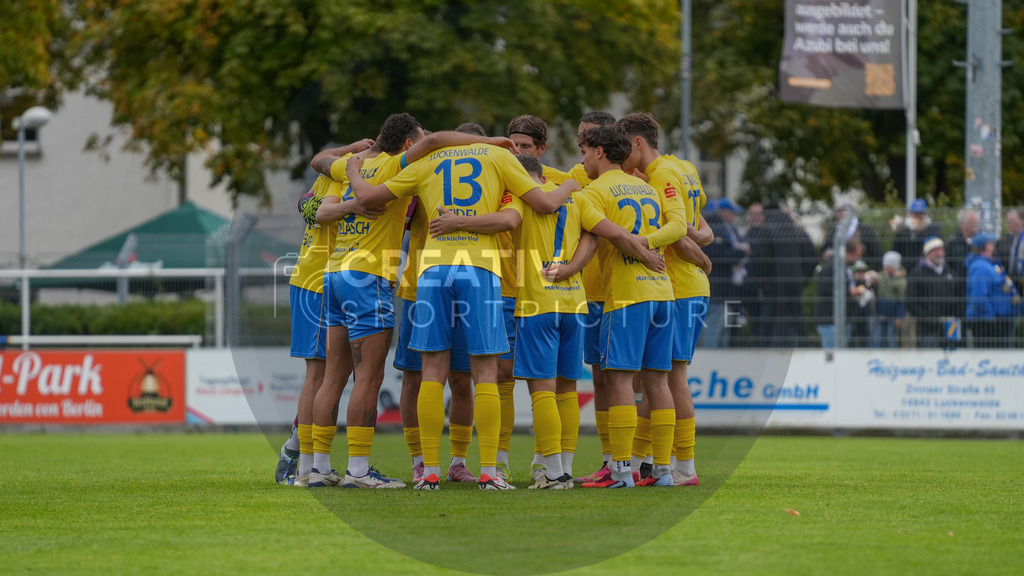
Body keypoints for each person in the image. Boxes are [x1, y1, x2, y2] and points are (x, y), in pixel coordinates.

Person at [345, 126, 625, 490]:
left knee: (431, 370)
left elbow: (368, 197)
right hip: (481, 270)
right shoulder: (500, 158)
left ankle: (428, 471)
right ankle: (491, 473)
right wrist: (569, 188)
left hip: (432, 270)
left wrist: (352, 171)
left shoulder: (428, 160)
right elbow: (540, 205)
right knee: (486, 372)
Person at [573, 123, 686, 489]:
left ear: (600, 152)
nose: (583, 159)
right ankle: (665, 471)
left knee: (619, 378)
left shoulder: (591, 193)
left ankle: (621, 471)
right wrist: (649, 251)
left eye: (584, 151)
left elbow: (609, 235)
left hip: (626, 297)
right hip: (663, 293)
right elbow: (674, 227)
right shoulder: (647, 188)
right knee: (657, 381)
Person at [617, 112, 711, 487]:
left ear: (639, 143)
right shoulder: (684, 166)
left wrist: (695, 255)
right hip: (678, 286)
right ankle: (641, 462)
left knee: (672, 379)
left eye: (625, 147)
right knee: (655, 377)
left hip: (681, 285)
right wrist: (704, 246)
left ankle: (684, 467)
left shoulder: (660, 175)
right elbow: (701, 227)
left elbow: (675, 232)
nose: (622, 155)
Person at [277, 139, 376, 486]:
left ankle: (305, 458)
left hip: (321, 280)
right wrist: (355, 204)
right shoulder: (341, 175)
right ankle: (304, 464)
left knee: (329, 376)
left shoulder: (327, 174)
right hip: (318, 283)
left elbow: (307, 202)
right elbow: (317, 212)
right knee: (319, 376)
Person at [701, 198, 749, 349]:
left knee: (723, 329)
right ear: (723, 212)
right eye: (731, 212)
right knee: (715, 327)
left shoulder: (723, 228)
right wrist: (740, 253)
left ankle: (719, 362)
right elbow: (718, 253)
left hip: (724, 290)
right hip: (717, 289)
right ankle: (711, 363)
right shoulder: (715, 228)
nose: (734, 216)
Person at [965, 233, 1021, 347]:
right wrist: (990, 318)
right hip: (989, 323)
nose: (993, 246)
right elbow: (979, 297)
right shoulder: (980, 266)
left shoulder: (992, 263)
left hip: (1001, 320)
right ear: (986, 246)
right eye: (990, 243)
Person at [906, 238, 961, 348]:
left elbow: (958, 296)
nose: (939, 253)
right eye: (935, 250)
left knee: (952, 355)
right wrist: (926, 319)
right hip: (928, 327)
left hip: (951, 324)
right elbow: (911, 302)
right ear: (927, 253)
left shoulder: (950, 272)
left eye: (941, 250)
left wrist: (955, 314)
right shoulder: (917, 274)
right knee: (930, 357)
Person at [814, 239, 862, 348]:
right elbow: (824, 289)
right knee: (832, 359)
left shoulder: (845, 268)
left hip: (843, 320)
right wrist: (849, 293)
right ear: (848, 253)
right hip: (830, 321)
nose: (858, 259)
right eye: (856, 256)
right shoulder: (831, 267)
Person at [825, 202, 882, 271]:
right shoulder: (835, 230)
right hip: (840, 269)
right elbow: (827, 247)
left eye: (844, 210)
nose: (840, 213)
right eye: (838, 211)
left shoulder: (865, 229)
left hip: (862, 268)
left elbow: (875, 252)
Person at [871, 251, 907, 348]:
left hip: (893, 316)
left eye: (889, 267)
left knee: (892, 339)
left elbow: (901, 301)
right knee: (878, 339)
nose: (886, 269)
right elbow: (874, 282)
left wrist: (899, 317)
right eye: (885, 267)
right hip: (880, 315)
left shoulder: (901, 281)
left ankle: (893, 359)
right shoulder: (881, 277)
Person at [892, 199, 943, 264]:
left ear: (925, 214)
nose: (918, 216)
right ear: (910, 214)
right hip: (908, 264)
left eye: (921, 214)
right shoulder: (904, 228)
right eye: (916, 214)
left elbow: (935, 245)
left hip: (927, 265)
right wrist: (899, 234)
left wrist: (922, 232)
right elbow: (897, 249)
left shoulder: (933, 228)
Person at [996, 208, 1024, 293]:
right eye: (1009, 222)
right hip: (1012, 283)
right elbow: (999, 264)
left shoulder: (1021, 239)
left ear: (1022, 221)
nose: (1010, 225)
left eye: (1013, 221)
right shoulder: (1008, 240)